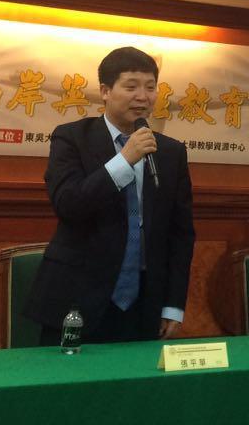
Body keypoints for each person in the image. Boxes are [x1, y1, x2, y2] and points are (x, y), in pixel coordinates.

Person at [25, 46, 195, 344]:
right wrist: (124, 160)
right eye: (131, 87)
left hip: (144, 303)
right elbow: (69, 205)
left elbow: (180, 234)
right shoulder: (71, 137)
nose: (143, 96)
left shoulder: (170, 152)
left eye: (150, 87)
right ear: (105, 91)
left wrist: (173, 305)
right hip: (76, 298)